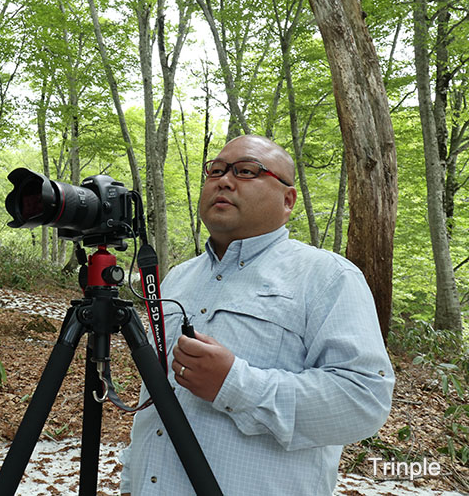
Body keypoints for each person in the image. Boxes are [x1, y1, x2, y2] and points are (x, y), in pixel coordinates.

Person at [120, 134, 394, 495]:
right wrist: (131, 482)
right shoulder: (177, 279)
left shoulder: (327, 277)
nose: (224, 180)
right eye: (215, 170)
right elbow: (154, 397)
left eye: (246, 171)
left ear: (288, 199)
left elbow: (364, 400)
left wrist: (235, 385)